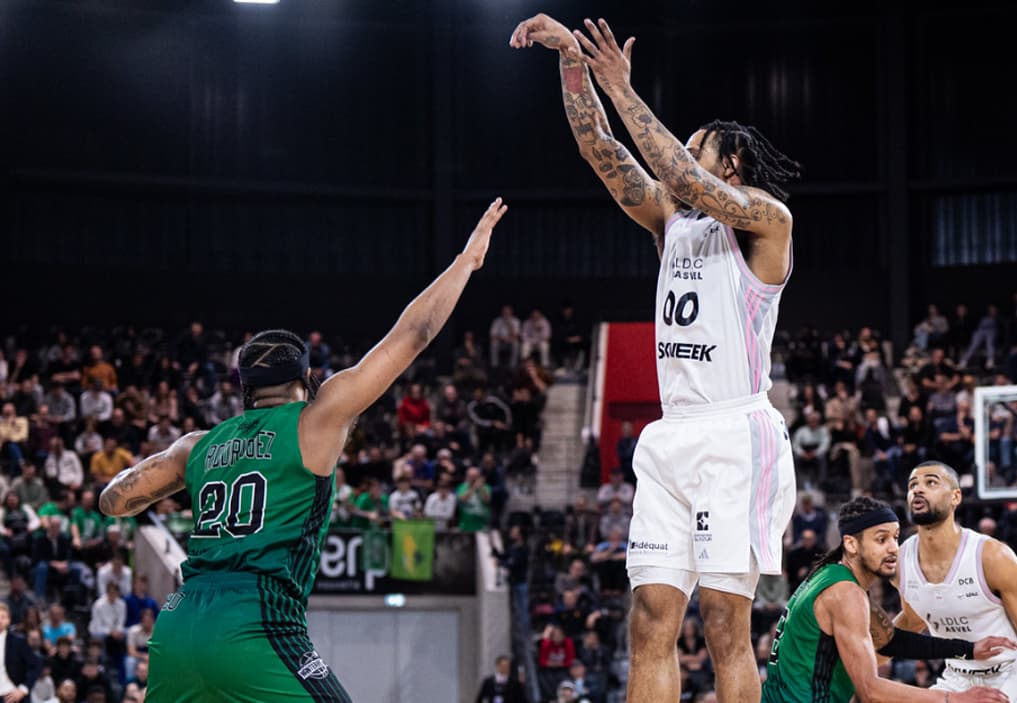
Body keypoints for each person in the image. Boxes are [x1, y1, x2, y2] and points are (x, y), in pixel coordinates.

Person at [97, 199, 507, 702]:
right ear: (306, 379)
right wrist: (467, 259)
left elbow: (114, 500)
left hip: (178, 625)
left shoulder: (195, 447)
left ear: (244, 389)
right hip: (255, 621)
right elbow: (413, 335)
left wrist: (189, 478)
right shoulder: (318, 417)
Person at [512, 15, 801, 703]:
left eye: (699, 145)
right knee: (649, 620)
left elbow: (678, 171)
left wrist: (624, 90)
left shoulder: (767, 219)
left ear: (731, 163)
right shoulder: (671, 220)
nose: (684, 152)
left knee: (726, 623)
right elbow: (601, 152)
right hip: (672, 434)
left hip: (737, 433)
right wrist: (572, 64)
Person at [763, 497, 1013, 703]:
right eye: (881, 539)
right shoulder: (845, 593)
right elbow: (870, 690)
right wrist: (953, 698)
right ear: (851, 544)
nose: (894, 547)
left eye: (895, 537)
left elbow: (888, 640)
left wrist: (968, 649)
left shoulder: (830, 576)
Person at [894, 462, 1017, 703]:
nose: (918, 490)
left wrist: (1003, 698)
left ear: (955, 497)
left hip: (1016, 674)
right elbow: (913, 619)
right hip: (957, 679)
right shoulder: (901, 561)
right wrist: (865, 654)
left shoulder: (991, 556)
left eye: (930, 483)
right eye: (912, 485)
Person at [0, 603, 39, 702]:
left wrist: (23, 689)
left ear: (8, 620)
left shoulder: (19, 641)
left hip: (11, 695)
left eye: (3, 617)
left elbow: (35, 666)